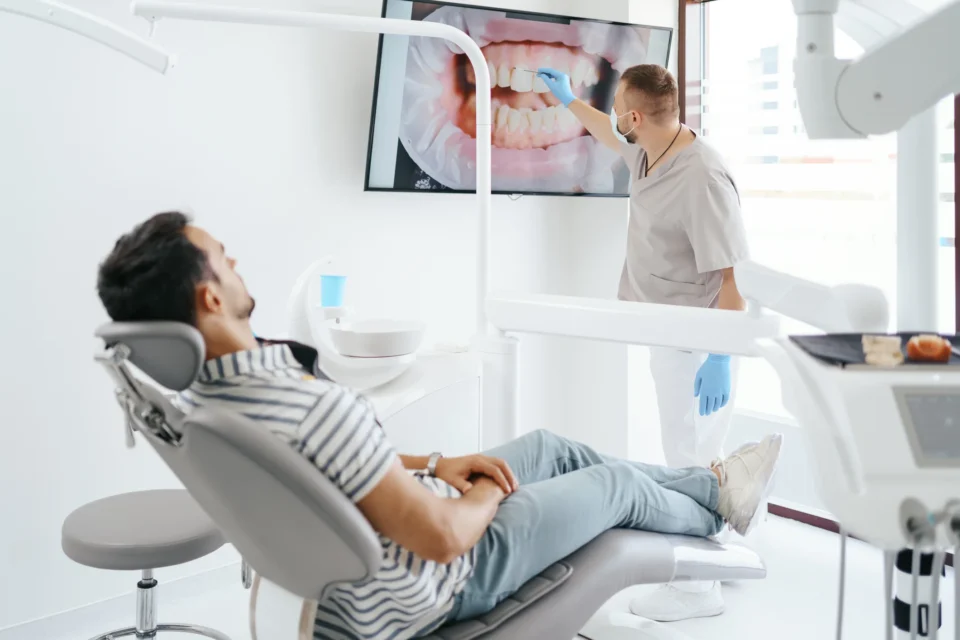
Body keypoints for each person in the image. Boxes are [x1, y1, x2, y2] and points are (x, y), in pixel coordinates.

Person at [95, 212, 780, 640]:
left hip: (356, 586)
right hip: (433, 582)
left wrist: (434, 465)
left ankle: (712, 485)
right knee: (611, 489)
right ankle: (718, 505)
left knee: (549, 446)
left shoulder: (218, 402)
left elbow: (329, 475)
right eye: (223, 255)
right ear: (210, 294)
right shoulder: (303, 407)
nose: (238, 261)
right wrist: (486, 495)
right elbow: (444, 537)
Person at [537, 63, 751, 621]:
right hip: (665, 328)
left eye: (618, 110)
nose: (614, 120)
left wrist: (722, 356)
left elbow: (734, 282)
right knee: (698, 455)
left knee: (690, 459)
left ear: (637, 114)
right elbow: (611, 135)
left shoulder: (703, 175)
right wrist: (568, 101)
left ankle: (699, 588)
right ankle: (728, 547)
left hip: (698, 337)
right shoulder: (649, 147)